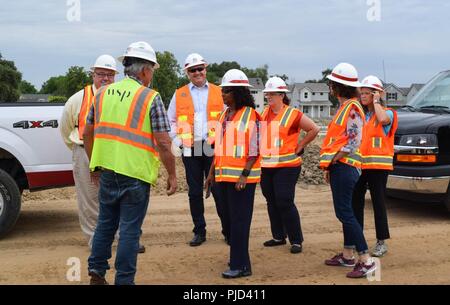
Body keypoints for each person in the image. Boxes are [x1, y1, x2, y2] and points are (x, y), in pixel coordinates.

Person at [83, 41, 177, 285]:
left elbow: (87, 133)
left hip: (107, 171)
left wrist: (94, 165)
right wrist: (173, 175)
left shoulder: (102, 93)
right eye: (152, 70)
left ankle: (96, 271)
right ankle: (124, 280)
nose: (152, 75)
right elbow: (164, 143)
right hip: (134, 174)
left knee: (105, 223)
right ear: (145, 70)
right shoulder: (150, 97)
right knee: (129, 230)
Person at [320, 63, 376, 278]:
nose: (329, 87)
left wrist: (333, 160)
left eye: (331, 84)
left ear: (338, 86)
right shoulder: (345, 107)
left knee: (344, 212)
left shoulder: (351, 108)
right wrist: (328, 165)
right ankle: (347, 255)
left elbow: (353, 141)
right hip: (340, 166)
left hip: (345, 166)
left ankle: (366, 260)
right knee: (346, 212)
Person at [205, 69, 260, 279]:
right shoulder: (223, 115)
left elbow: (255, 149)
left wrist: (244, 175)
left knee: (239, 221)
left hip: (241, 180)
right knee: (229, 220)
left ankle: (240, 266)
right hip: (223, 177)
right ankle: (239, 259)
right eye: (222, 91)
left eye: (226, 91)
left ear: (237, 92)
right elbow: (218, 149)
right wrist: (211, 174)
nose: (222, 95)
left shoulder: (252, 115)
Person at [167, 53, 226, 246]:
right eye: (193, 70)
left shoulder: (220, 91)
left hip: (212, 147)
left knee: (218, 190)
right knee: (194, 193)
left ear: (205, 69)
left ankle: (229, 230)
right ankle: (199, 231)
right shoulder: (180, 93)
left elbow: (229, 118)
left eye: (200, 68)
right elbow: (171, 121)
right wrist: (178, 140)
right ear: (187, 73)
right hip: (190, 148)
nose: (197, 72)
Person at [60, 54, 118, 248]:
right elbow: (66, 129)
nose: (105, 78)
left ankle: (118, 237)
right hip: (85, 152)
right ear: (93, 74)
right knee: (89, 199)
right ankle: (96, 242)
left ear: (115, 77)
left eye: (109, 75)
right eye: (101, 73)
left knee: (114, 196)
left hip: (112, 154)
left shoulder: (119, 98)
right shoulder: (78, 99)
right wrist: (79, 150)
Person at [259, 77, 320, 254]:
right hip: (267, 166)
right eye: (267, 94)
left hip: (287, 166)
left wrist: (300, 146)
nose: (268, 96)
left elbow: (314, 129)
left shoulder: (293, 114)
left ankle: (296, 239)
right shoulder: (263, 113)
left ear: (281, 95)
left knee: (284, 201)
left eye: (272, 94)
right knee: (271, 201)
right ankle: (278, 236)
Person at [352, 75, 398, 257]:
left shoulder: (389, 113)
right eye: (361, 93)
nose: (362, 96)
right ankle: (358, 239)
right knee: (356, 202)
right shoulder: (363, 116)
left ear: (376, 94)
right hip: (360, 166)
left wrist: (377, 100)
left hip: (379, 167)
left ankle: (381, 242)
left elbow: (384, 120)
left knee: (378, 203)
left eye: (367, 93)